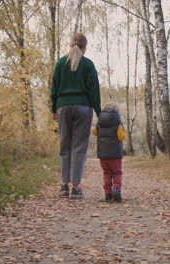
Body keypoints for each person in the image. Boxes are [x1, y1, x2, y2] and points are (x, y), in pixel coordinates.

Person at [51, 32, 101, 200]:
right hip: (83, 108)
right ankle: (76, 188)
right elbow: (94, 91)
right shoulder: (88, 65)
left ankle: (64, 186)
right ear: (84, 47)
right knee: (78, 148)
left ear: (71, 45)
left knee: (65, 146)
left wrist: (53, 109)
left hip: (63, 107)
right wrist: (99, 112)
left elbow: (54, 89)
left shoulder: (59, 64)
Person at [92, 104, 126, 202]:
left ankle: (107, 194)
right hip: (115, 155)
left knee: (107, 173)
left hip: (103, 155)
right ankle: (116, 190)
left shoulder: (99, 123)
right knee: (117, 173)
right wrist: (124, 132)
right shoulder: (118, 123)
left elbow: (94, 132)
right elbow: (121, 137)